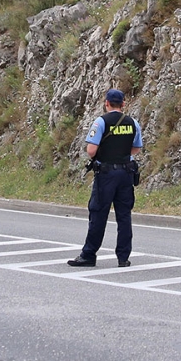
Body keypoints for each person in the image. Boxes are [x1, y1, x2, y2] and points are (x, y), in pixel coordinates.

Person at [68, 89, 143, 268]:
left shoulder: (101, 122)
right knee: (124, 215)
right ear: (123, 104)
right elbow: (136, 148)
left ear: (106, 103)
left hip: (107, 174)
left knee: (98, 213)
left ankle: (89, 254)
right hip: (126, 173)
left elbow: (91, 150)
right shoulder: (133, 123)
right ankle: (123, 257)